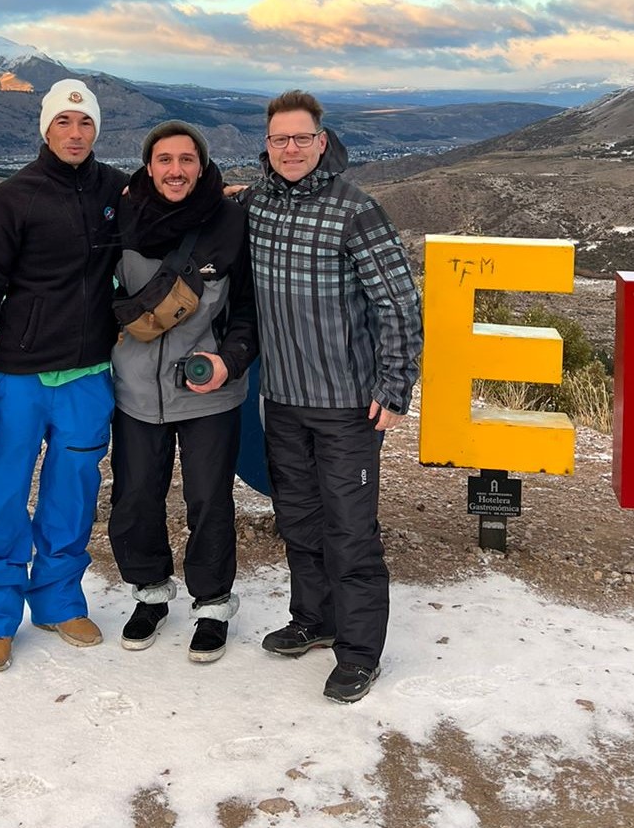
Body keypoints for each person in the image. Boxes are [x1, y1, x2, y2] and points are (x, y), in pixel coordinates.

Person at [243, 90, 423, 702]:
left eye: (301, 138)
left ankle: (360, 651)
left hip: (347, 403)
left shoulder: (356, 210)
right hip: (283, 399)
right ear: (266, 146)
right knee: (297, 519)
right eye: (279, 139)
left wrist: (395, 387)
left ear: (323, 142)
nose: (290, 149)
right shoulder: (258, 203)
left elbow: (399, 303)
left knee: (350, 529)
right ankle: (314, 619)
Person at [0, 79, 127, 673]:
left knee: (71, 497)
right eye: (63, 123)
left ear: (96, 129)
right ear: (46, 129)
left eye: (85, 124)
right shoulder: (14, 196)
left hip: (88, 376)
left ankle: (57, 602)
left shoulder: (116, 190)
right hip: (19, 377)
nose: (75, 134)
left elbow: (174, 213)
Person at [107, 120, 257, 663]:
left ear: (203, 165)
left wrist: (231, 360)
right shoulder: (120, 215)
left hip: (209, 390)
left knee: (208, 498)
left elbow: (247, 309)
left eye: (187, 160)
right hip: (136, 389)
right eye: (165, 160)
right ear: (148, 166)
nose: (176, 170)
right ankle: (149, 593)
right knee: (136, 495)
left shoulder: (229, 221)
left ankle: (213, 603)